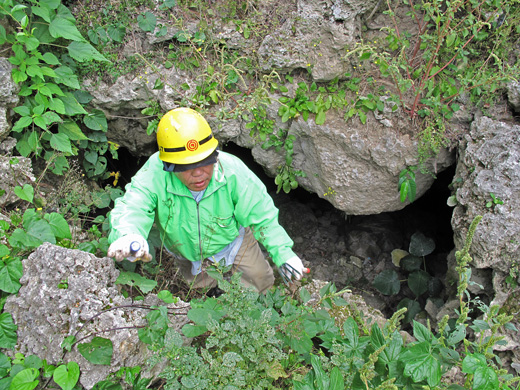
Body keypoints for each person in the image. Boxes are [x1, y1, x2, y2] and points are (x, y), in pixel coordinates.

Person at [107, 107, 307, 294]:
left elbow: (262, 214)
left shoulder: (232, 171)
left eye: (205, 161)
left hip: (232, 241)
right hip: (185, 251)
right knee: (199, 290)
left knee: (260, 279)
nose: (199, 173)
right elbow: (133, 206)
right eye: (187, 166)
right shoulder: (154, 174)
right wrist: (128, 235)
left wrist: (283, 254)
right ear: (169, 165)